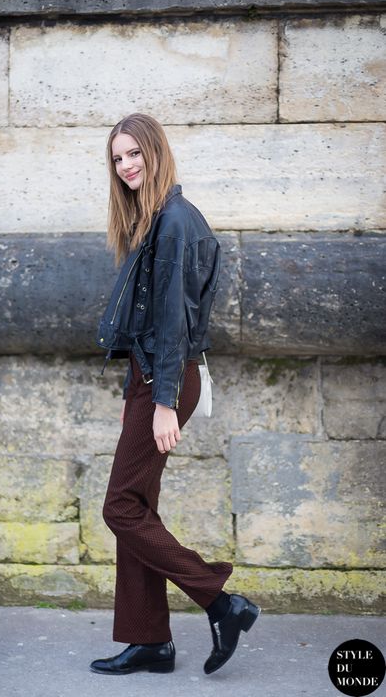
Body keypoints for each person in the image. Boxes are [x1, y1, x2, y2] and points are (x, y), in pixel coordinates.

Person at [91, 113, 260, 676]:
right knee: (137, 506)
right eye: (118, 158)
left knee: (119, 506)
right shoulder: (157, 219)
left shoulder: (176, 223)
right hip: (150, 379)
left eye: (134, 153)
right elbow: (150, 322)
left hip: (165, 380)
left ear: (156, 151)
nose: (126, 165)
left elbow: (173, 321)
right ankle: (150, 641)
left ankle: (219, 599)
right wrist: (137, 391)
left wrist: (163, 401)